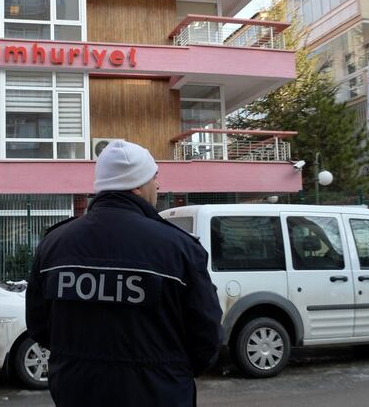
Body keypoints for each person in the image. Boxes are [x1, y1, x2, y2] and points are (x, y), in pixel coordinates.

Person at [26, 140, 224, 407]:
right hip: (159, 392)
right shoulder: (177, 247)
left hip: (77, 392)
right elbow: (207, 336)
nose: (158, 185)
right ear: (137, 185)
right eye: (154, 177)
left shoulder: (54, 245)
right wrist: (171, 370)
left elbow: (39, 326)